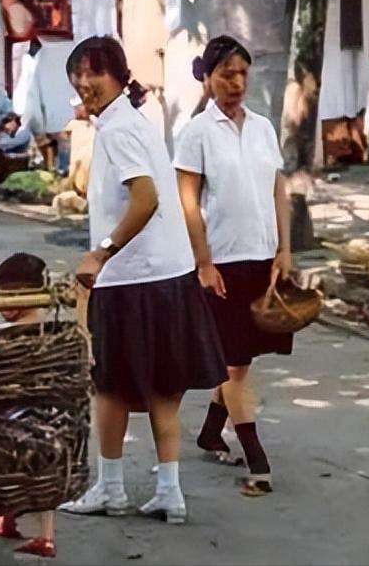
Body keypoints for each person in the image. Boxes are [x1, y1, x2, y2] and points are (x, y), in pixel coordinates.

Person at [58, 36, 226, 525]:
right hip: (167, 274)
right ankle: (169, 492)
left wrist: (101, 252)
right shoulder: (134, 122)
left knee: (109, 386)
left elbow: (146, 198)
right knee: (163, 388)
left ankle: (110, 488)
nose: (84, 83)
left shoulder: (117, 130)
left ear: (119, 76)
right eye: (77, 74)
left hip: (131, 278)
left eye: (94, 72)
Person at [174, 36, 291, 497]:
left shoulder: (262, 128)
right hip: (223, 263)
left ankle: (210, 432)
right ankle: (258, 462)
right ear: (207, 78)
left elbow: (277, 188)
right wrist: (203, 261)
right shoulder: (197, 133)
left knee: (240, 359)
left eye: (243, 73)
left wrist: (284, 249)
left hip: (263, 258)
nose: (237, 82)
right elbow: (188, 201)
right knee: (236, 367)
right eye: (226, 74)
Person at [0, 252, 58, 558]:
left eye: (2, 296)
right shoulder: (54, 329)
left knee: (8, 465)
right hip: (55, 419)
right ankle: (42, 533)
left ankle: (10, 518)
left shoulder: (10, 335)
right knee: (43, 469)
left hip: (14, 419)